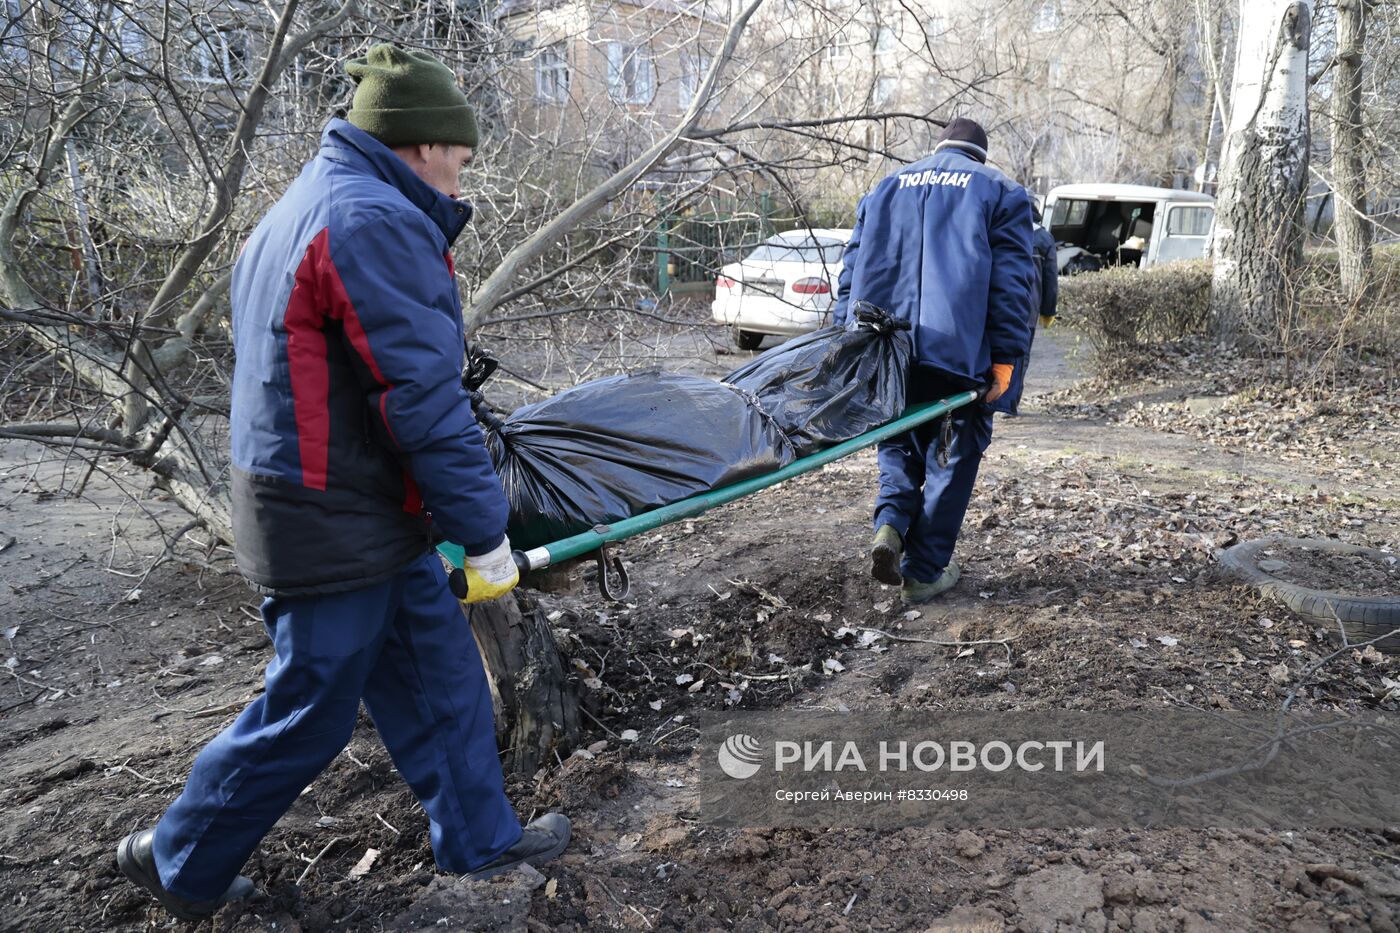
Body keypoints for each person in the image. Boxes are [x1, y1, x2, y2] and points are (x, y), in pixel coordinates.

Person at [115, 44, 569, 922]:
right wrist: (485, 531)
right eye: (460, 151)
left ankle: (481, 841)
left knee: (438, 672)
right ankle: (176, 857)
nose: (465, 168)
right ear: (419, 143)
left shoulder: (317, 202)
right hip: (325, 515)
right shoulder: (371, 222)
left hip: (351, 504)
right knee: (310, 709)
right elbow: (423, 400)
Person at [834, 118, 1035, 605]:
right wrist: (1005, 360)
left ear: (939, 145)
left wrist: (845, 348)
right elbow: (1012, 286)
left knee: (897, 440)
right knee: (955, 453)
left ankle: (890, 525)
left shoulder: (885, 187)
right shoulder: (1000, 193)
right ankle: (923, 573)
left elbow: (850, 271)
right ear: (980, 155)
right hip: (958, 354)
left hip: (883, 351)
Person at [992, 196, 1059, 417]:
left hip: (997, 306)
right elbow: (1050, 279)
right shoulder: (1044, 238)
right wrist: (1049, 311)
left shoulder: (1000, 229)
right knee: (1018, 356)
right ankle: (1008, 404)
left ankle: (989, 399)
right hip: (1027, 310)